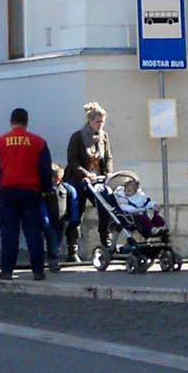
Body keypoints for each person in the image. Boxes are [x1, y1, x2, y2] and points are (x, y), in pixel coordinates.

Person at [0, 107, 53, 284]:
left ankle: (7, 271)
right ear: (27, 122)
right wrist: (47, 188)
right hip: (32, 193)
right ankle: (38, 271)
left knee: (9, 233)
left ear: (11, 121)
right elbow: (46, 169)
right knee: (34, 233)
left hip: (8, 193)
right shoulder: (38, 142)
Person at [64, 102, 113, 265]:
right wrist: (85, 174)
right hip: (79, 180)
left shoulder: (103, 137)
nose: (101, 125)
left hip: (97, 180)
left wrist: (108, 174)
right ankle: (72, 250)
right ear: (90, 121)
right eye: (98, 122)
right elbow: (72, 161)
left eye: (102, 122)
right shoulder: (77, 137)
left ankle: (106, 242)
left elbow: (108, 157)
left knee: (106, 207)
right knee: (76, 214)